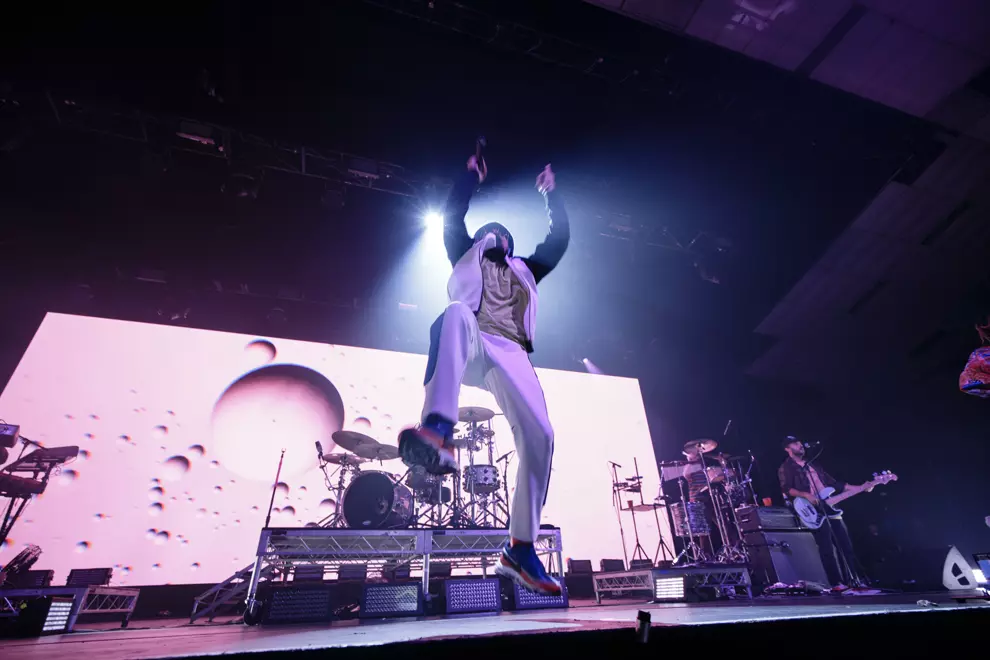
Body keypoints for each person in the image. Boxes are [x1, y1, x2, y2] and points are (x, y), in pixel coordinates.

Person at [398, 152, 569, 595]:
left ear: (509, 244)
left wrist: (554, 194)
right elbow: (453, 215)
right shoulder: (463, 250)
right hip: (472, 339)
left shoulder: (526, 270)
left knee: (541, 436)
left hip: (511, 352)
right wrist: (469, 176)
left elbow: (559, 240)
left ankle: (520, 549)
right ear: (479, 238)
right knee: (454, 314)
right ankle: (437, 430)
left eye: (501, 233)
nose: (494, 233)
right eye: (487, 231)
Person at [778, 436, 864, 588]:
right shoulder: (786, 467)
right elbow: (786, 489)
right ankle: (837, 584)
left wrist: (862, 487)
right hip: (813, 510)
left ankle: (856, 580)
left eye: (800, 443)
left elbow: (834, 484)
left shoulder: (814, 464)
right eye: (796, 444)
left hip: (829, 507)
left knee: (846, 546)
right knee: (827, 549)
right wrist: (806, 495)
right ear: (787, 449)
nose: (800, 445)